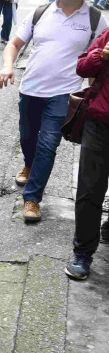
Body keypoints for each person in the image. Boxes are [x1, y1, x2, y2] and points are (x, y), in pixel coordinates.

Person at [0, 0, 108, 223]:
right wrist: (8, 66)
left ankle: (32, 198)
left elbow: (96, 60)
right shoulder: (41, 12)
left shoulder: (95, 20)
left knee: (48, 145)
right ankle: (29, 163)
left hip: (64, 93)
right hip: (30, 88)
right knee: (27, 138)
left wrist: (92, 93)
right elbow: (14, 44)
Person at [65, 21, 109, 280]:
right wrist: (100, 55)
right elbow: (82, 66)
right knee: (90, 189)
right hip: (100, 122)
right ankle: (83, 252)